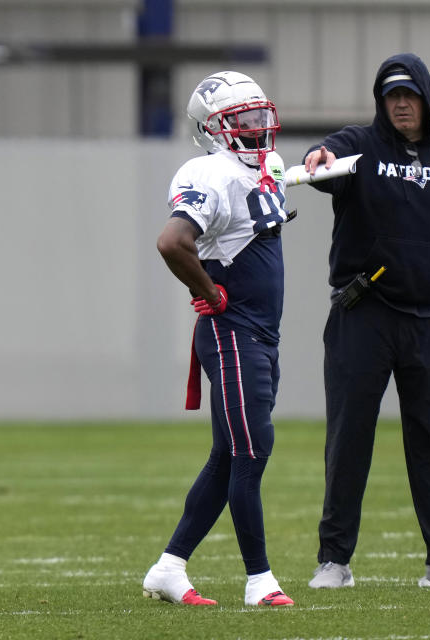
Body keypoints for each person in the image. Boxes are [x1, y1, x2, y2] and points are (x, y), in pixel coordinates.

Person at [302, 53, 430, 589]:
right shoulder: (360, 147)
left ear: (426, 98)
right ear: (381, 102)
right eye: (392, 95)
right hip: (363, 316)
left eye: (410, 94)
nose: (402, 103)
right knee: (349, 439)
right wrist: (318, 155)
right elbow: (325, 159)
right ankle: (334, 562)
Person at [142, 71, 295, 608]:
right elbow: (172, 241)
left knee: (229, 455)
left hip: (259, 335)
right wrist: (210, 291)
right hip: (234, 333)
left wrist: (312, 169)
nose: (256, 126)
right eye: (242, 120)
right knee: (253, 449)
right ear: (213, 130)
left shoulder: (255, 168)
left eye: (258, 115)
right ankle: (260, 581)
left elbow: (264, 192)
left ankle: (168, 567)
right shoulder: (209, 170)